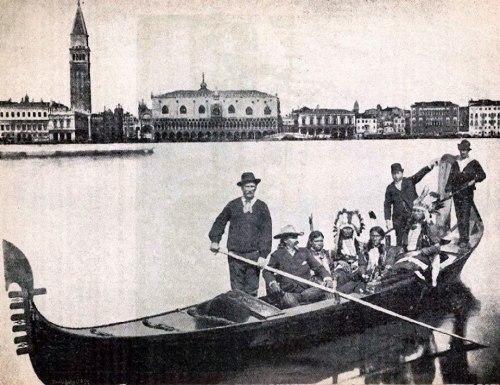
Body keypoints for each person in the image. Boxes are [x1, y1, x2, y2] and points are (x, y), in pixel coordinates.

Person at [209, 172, 272, 296]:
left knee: (251, 291)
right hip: (235, 255)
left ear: (256, 188)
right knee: (237, 291)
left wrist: (263, 255)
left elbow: (267, 231)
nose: (250, 190)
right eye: (247, 187)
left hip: (254, 256)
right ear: (242, 188)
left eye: (252, 186)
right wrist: (215, 240)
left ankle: (250, 315)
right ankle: (239, 314)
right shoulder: (233, 205)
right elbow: (220, 221)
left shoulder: (262, 207)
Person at [263, 225, 336, 308]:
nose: (296, 239)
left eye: (297, 237)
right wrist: (273, 283)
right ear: (285, 240)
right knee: (289, 300)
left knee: (327, 291)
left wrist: (328, 279)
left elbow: (319, 268)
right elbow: (267, 271)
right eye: (293, 237)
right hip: (289, 293)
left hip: (307, 291)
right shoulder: (277, 255)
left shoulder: (304, 252)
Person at [392, 188, 442, 287]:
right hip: (408, 255)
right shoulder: (409, 227)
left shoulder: (429, 227)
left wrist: (418, 252)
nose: (415, 213)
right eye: (414, 210)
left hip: (422, 256)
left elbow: (437, 247)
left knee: (406, 267)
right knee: (393, 268)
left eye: (418, 211)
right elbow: (404, 245)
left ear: (424, 213)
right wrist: (402, 251)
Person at [384, 160, 438, 246]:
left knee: (416, 237)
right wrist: (387, 220)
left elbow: (419, 174)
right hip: (399, 220)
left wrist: (429, 166)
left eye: (398, 173)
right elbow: (387, 205)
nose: (396, 176)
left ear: (402, 173)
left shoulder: (409, 181)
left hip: (413, 216)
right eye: (394, 174)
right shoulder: (390, 188)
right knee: (401, 242)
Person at [445, 140, 486, 250]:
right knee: (459, 215)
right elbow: (451, 177)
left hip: (467, 193)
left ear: (468, 151)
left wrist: (474, 180)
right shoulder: (455, 162)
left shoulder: (473, 162)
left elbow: (482, 175)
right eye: (461, 150)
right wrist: (448, 188)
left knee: (465, 215)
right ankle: (462, 237)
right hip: (456, 193)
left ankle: (464, 240)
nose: (462, 152)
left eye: (464, 150)